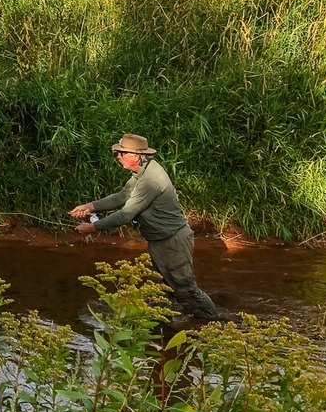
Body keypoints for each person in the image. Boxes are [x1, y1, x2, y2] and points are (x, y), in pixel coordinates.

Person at [68, 133, 225, 320]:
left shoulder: (151, 179)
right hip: (160, 241)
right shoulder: (142, 172)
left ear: (136, 156)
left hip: (173, 242)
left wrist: (93, 227)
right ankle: (162, 330)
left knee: (185, 290)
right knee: (157, 290)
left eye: (121, 152)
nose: (118, 156)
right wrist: (90, 206)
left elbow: (126, 214)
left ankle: (214, 323)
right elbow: (121, 197)